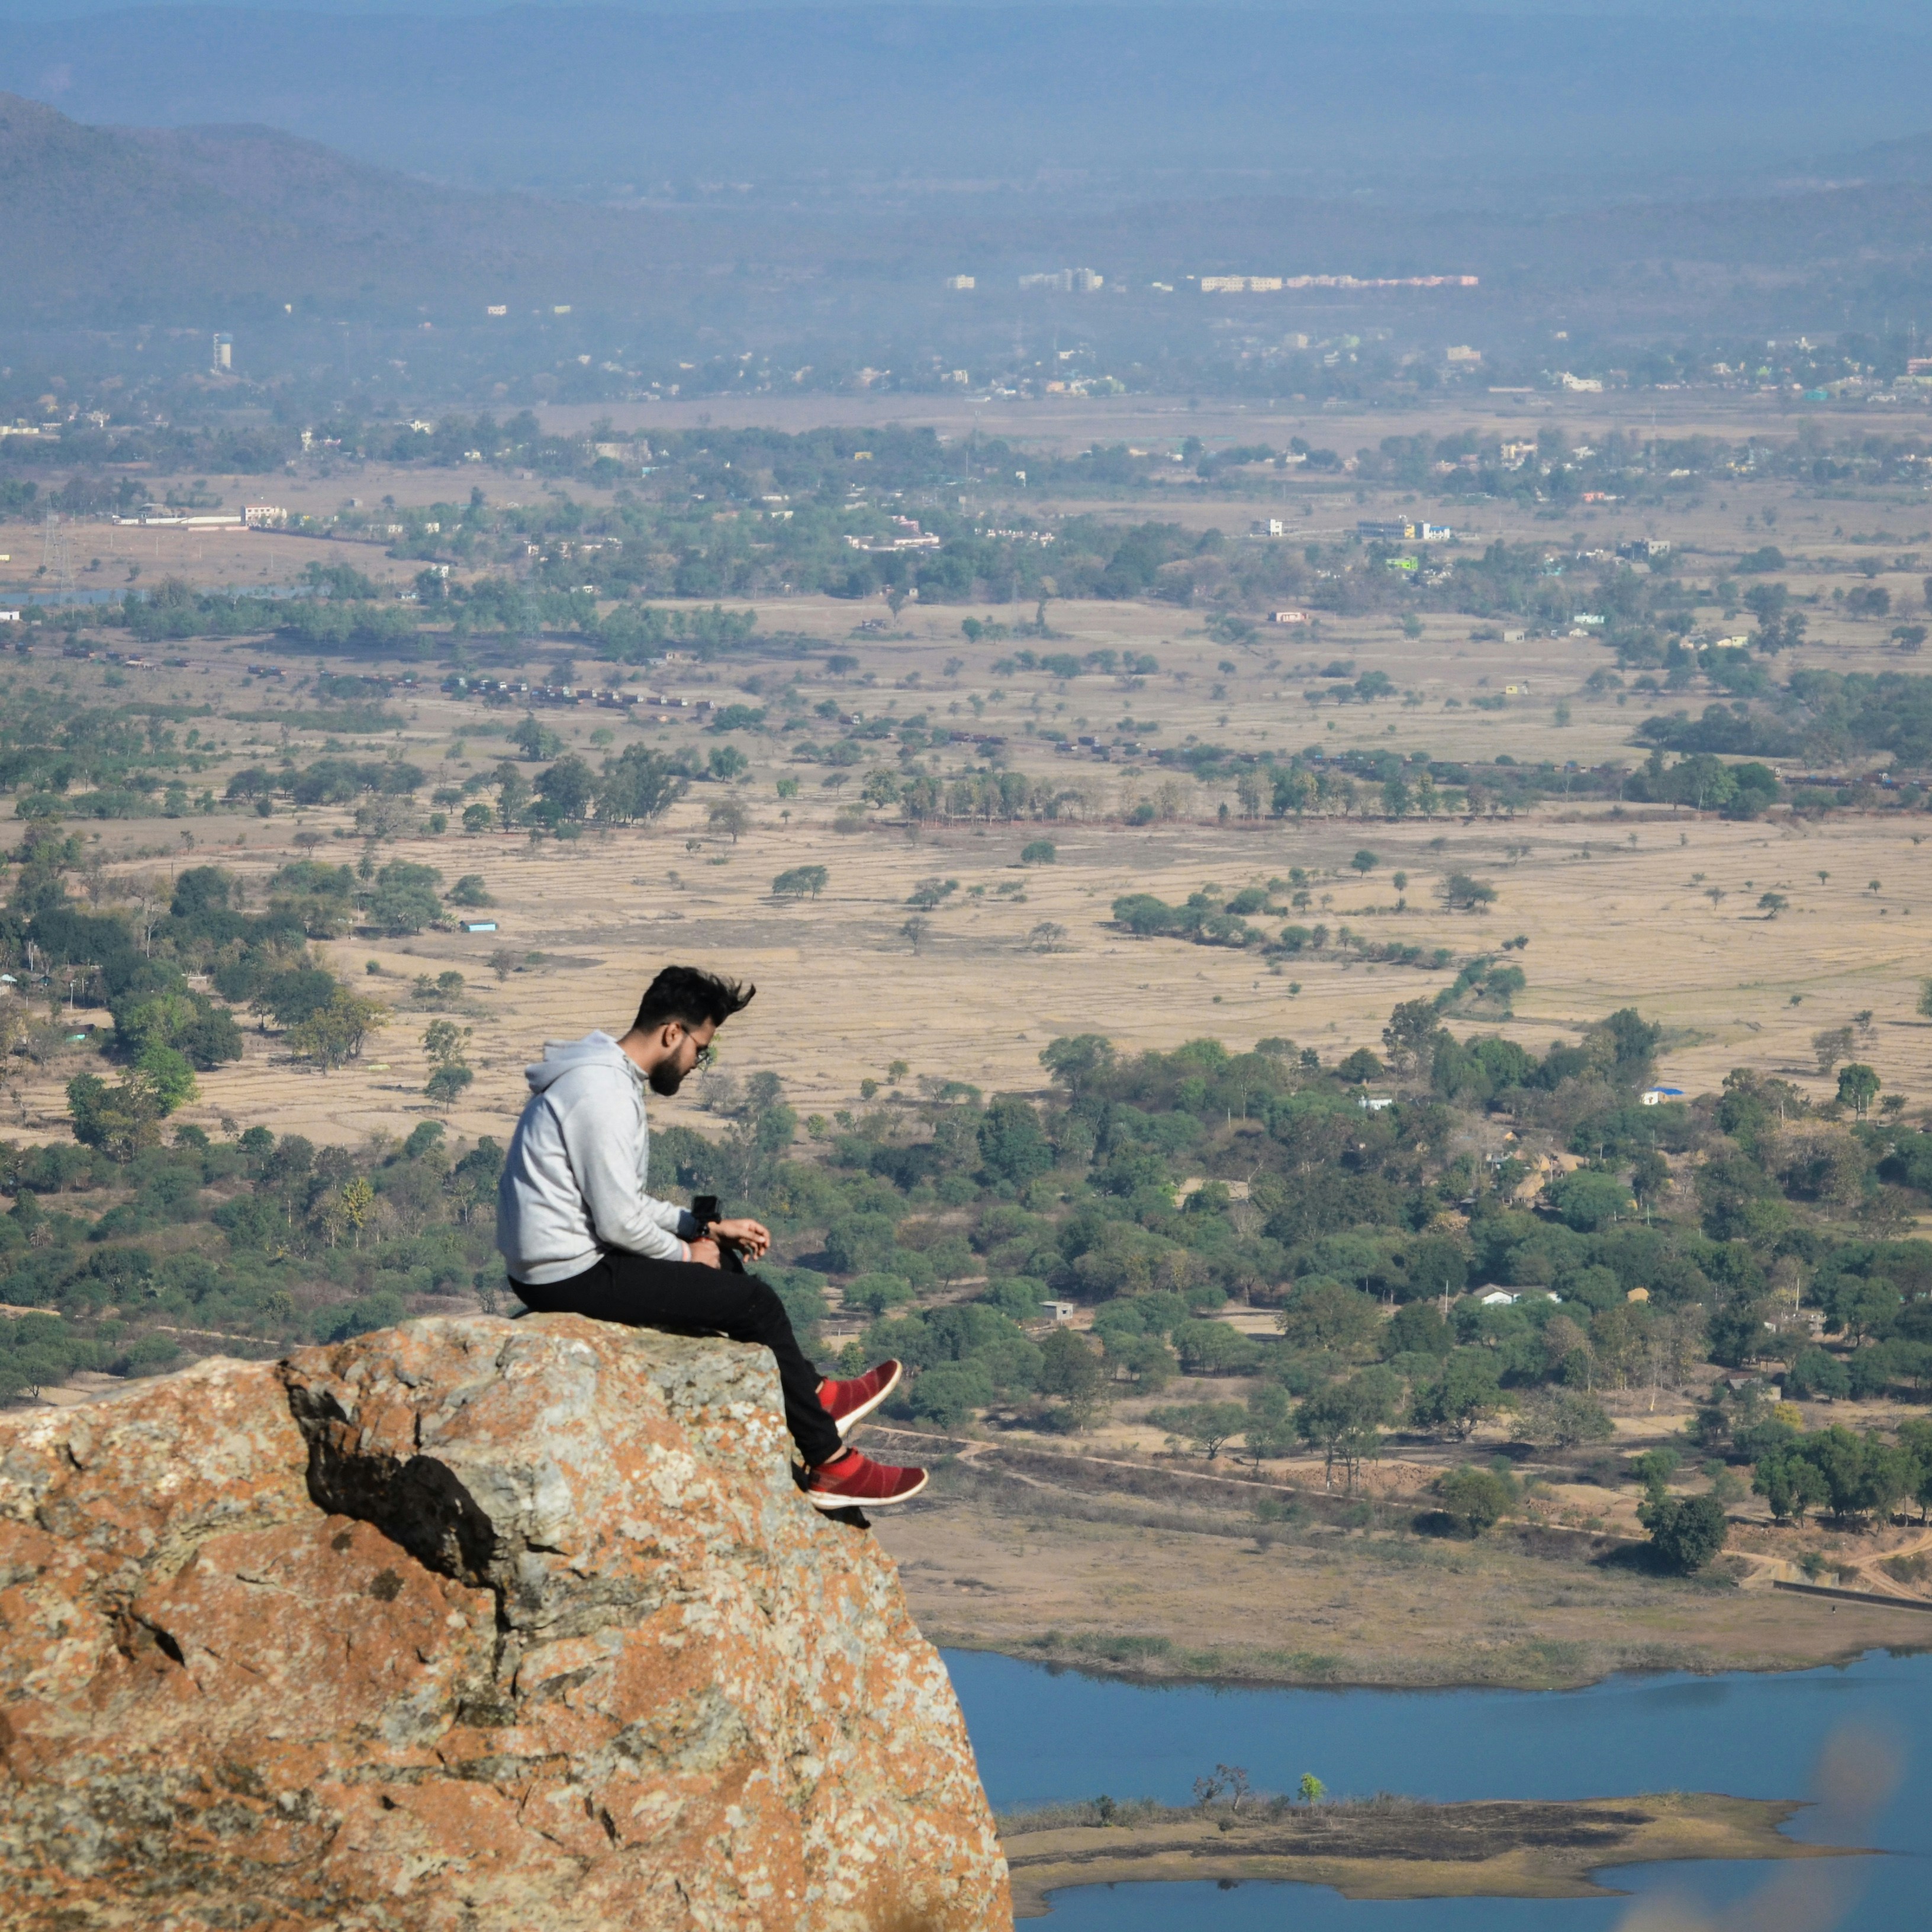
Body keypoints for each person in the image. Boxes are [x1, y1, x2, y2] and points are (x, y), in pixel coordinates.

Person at [497, 964, 926, 1509]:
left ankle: (817, 1394)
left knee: (721, 1260)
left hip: (565, 1260)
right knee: (755, 1303)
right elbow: (617, 1221)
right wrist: (685, 1255)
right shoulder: (599, 1094)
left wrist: (704, 1230)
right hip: (566, 1275)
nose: (698, 1062)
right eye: (701, 1048)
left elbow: (622, 1203)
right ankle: (831, 1464)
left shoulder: (604, 1078)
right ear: (673, 1033)